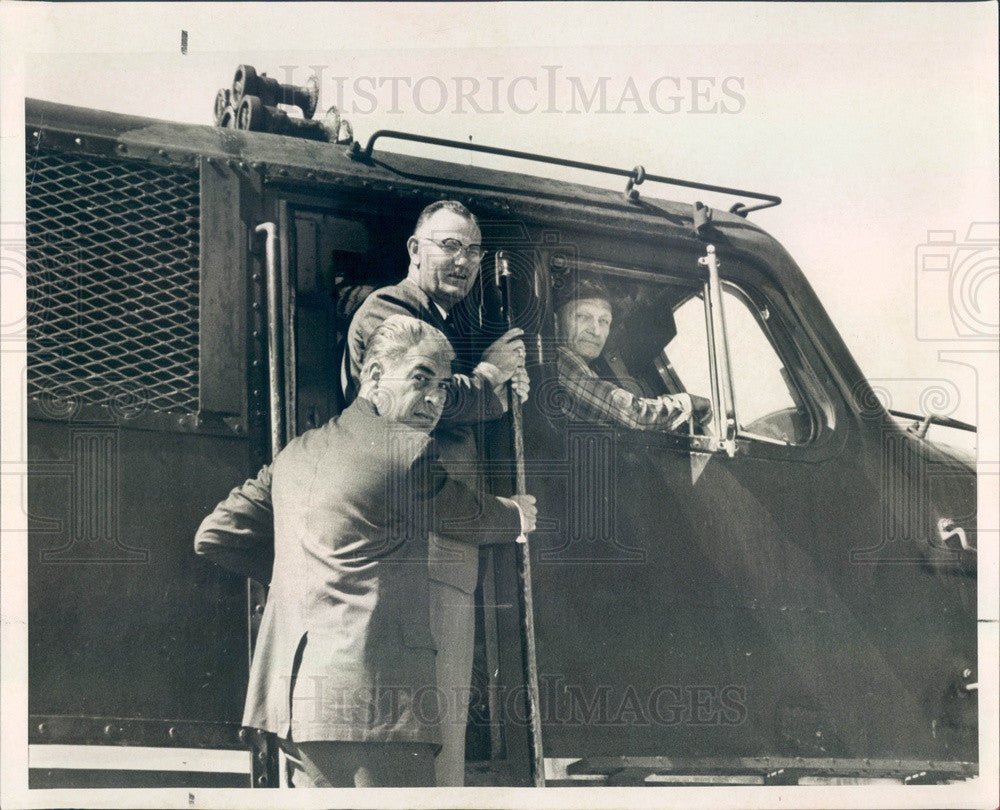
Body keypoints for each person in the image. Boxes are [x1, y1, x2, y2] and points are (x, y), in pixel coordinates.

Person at [196, 200, 528, 787]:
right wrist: (488, 386)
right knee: (432, 751)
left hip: (300, 703)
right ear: (414, 249)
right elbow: (414, 402)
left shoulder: (298, 452)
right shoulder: (390, 315)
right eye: (449, 245)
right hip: (410, 591)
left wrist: (307, 578)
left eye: (473, 250)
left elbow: (216, 534)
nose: (463, 260)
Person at [554, 278, 712, 430]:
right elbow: (629, 413)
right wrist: (687, 402)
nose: (595, 331)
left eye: (604, 321)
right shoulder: (559, 359)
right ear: (556, 323)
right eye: (583, 317)